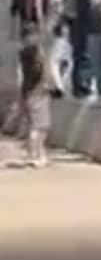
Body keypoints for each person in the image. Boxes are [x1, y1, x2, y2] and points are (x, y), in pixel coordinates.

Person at [17, 26, 51, 168]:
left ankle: (37, 155)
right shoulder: (35, 52)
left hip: (28, 90)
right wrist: (46, 83)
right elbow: (39, 71)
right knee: (39, 126)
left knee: (34, 125)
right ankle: (36, 156)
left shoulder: (23, 52)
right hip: (37, 91)